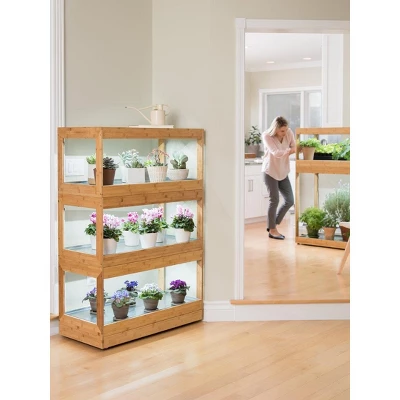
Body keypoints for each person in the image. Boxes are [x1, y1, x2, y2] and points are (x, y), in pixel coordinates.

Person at [261, 116, 296, 240]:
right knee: (274, 200)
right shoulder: (267, 136)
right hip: (270, 171)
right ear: (275, 129)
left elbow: (295, 147)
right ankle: (272, 230)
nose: (285, 133)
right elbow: (275, 152)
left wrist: (289, 150)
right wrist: (289, 150)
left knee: (290, 200)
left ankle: (272, 223)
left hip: (283, 171)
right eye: (282, 131)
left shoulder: (289, 132)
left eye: (286, 130)